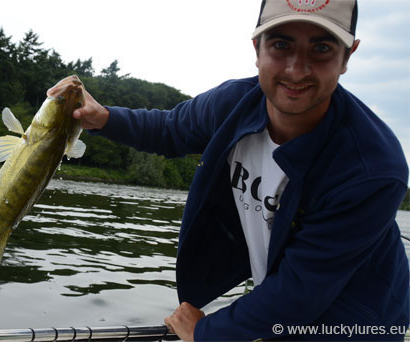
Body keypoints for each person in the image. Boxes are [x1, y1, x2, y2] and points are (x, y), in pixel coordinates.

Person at [48, 0, 409, 340]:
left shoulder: (373, 169)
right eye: (281, 45)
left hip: (359, 320)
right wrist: (105, 118)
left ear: (348, 57)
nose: (296, 70)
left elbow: (301, 291)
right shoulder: (233, 103)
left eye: (321, 49)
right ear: (256, 49)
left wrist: (207, 333)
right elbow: (170, 129)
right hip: (283, 302)